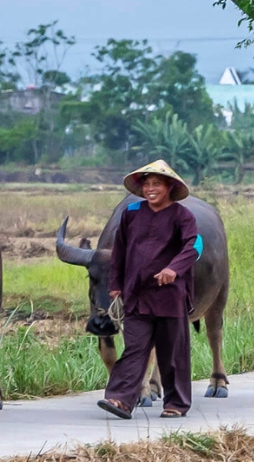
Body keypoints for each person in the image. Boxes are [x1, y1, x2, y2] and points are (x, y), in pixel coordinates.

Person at [99, 160, 202, 419]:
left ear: (169, 186)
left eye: (157, 183)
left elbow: (193, 247)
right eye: (146, 184)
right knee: (135, 348)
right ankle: (121, 400)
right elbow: (119, 251)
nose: (150, 189)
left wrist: (173, 269)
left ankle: (176, 404)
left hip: (170, 296)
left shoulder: (183, 216)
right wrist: (115, 285)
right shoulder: (132, 213)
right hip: (137, 294)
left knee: (172, 352)